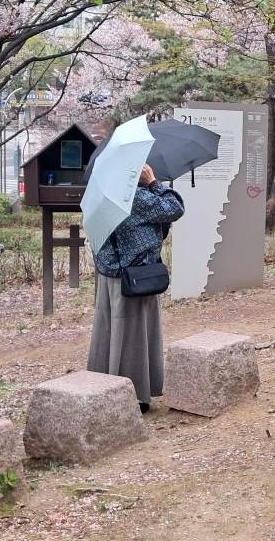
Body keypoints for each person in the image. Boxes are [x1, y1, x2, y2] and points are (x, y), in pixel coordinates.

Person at [88, 163, 185, 413]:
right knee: (134, 336)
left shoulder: (104, 194)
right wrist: (153, 182)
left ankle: (104, 384)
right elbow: (175, 208)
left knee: (109, 331)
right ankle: (134, 393)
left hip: (109, 275)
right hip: (135, 277)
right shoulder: (136, 197)